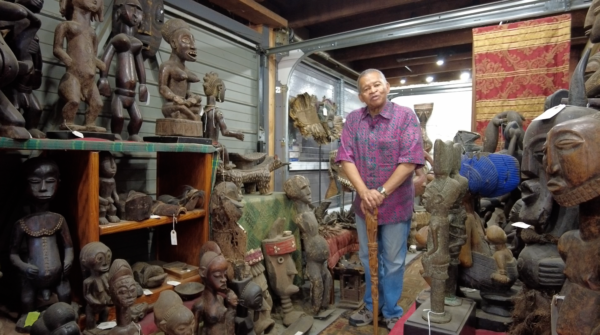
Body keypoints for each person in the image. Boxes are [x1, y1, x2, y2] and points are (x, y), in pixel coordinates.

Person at [335, 68, 424, 330]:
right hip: (365, 206)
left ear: (387, 87)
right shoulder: (353, 120)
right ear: (361, 95)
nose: (372, 90)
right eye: (366, 88)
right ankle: (372, 305)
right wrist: (364, 192)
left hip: (395, 205)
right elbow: (345, 158)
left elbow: (409, 161)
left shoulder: (405, 117)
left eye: (377, 85)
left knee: (394, 260)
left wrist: (381, 192)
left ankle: (391, 309)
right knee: (367, 257)